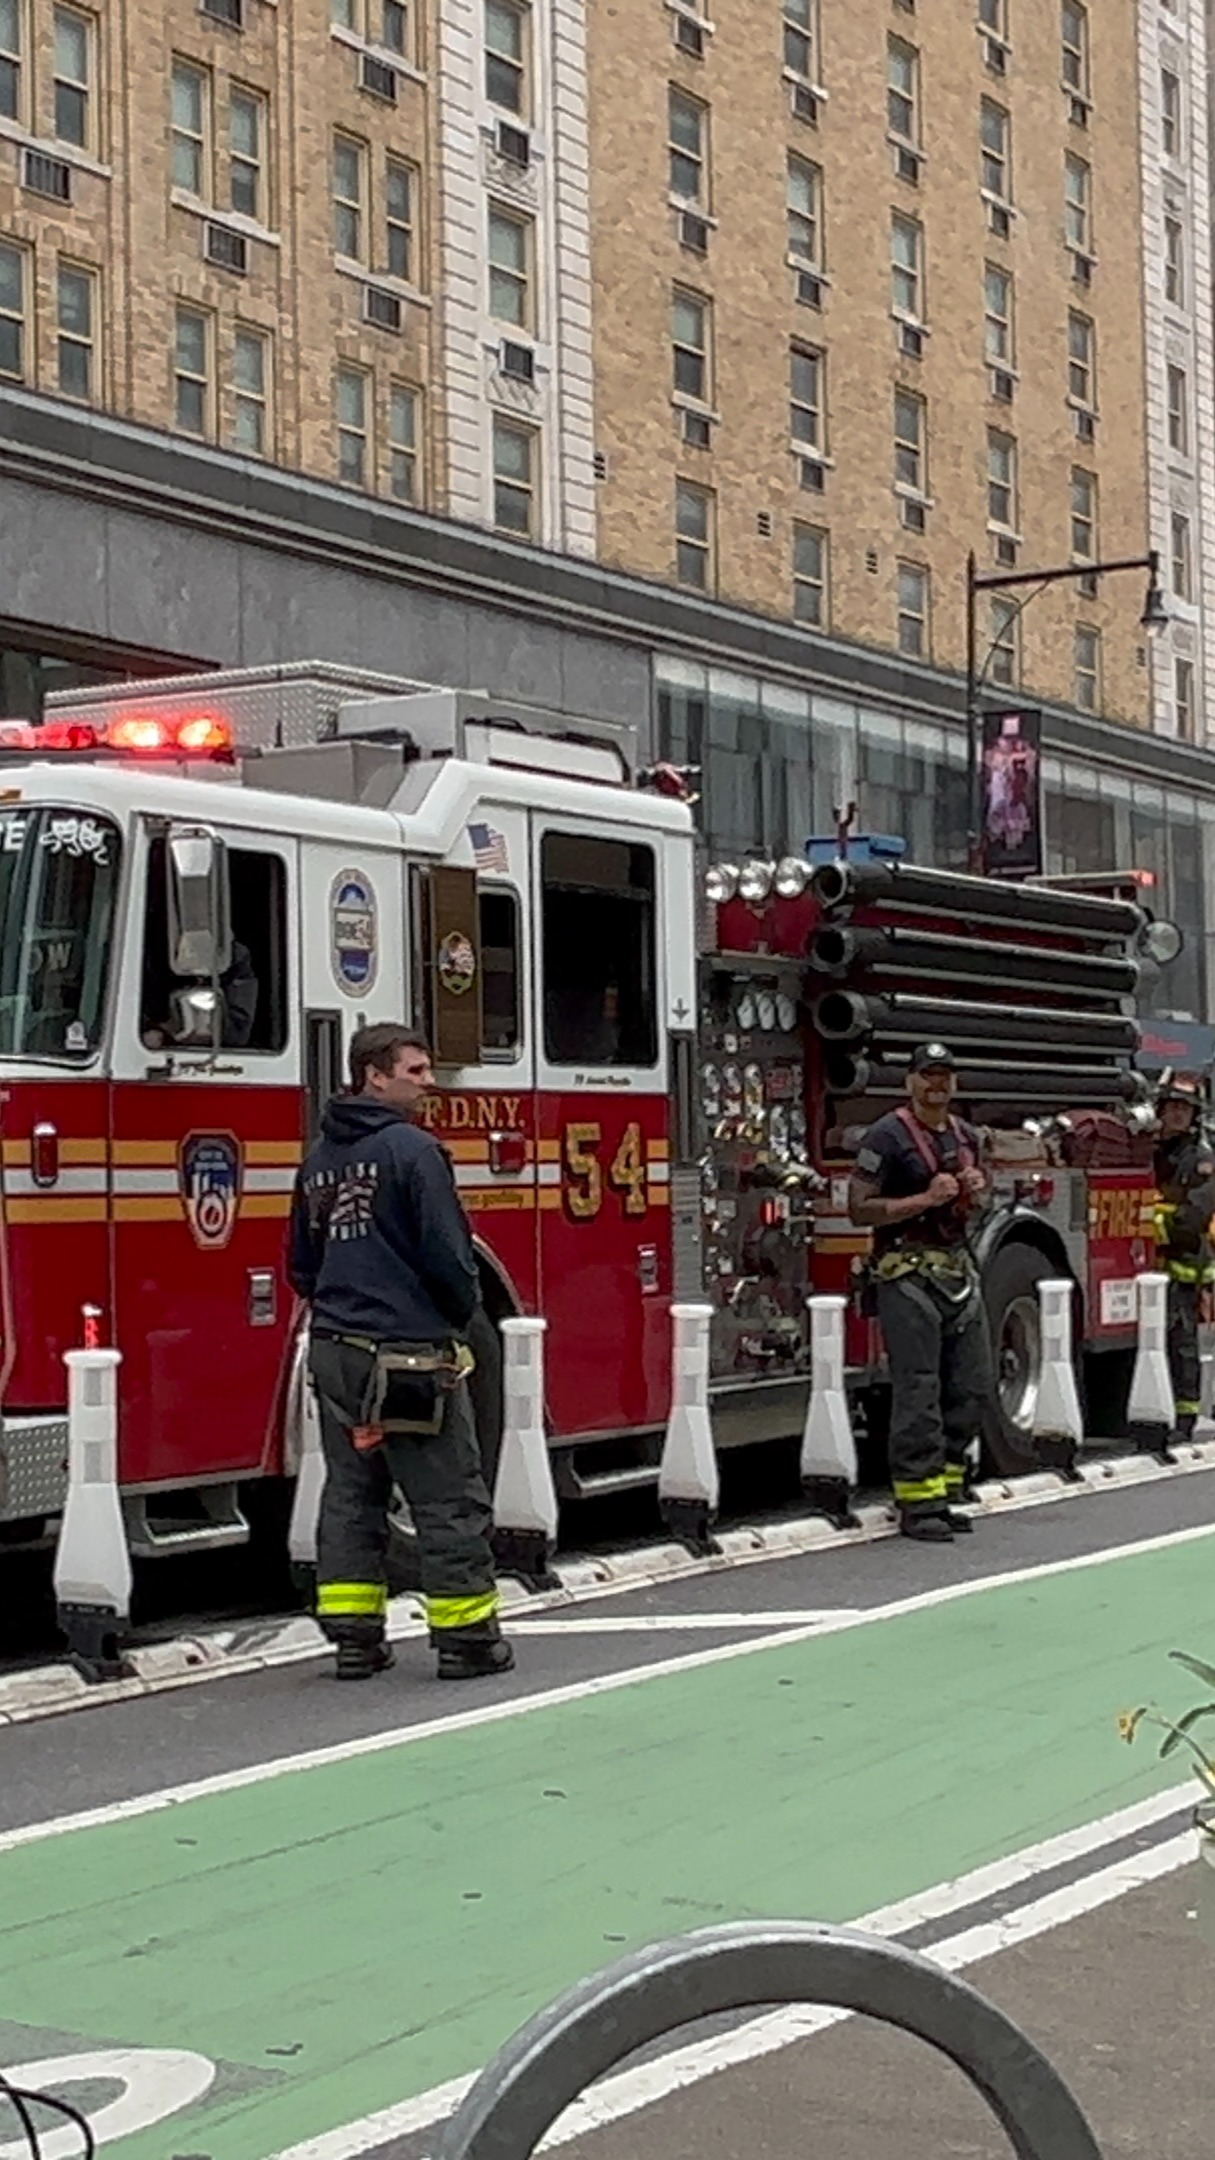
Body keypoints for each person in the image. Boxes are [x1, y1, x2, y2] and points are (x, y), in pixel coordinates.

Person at [287, 1022, 513, 1682]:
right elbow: (449, 1255)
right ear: (374, 1074)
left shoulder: (318, 1161)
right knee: (447, 1496)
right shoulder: (415, 1153)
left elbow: (302, 1264)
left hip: (336, 1355)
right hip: (410, 1357)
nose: (429, 1081)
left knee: (352, 1495)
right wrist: (454, 1322)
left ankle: (355, 1640)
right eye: (415, 1070)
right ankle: (467, 1639)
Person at [848, 1043, 993, 1543]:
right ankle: (918, 1503)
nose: (938, 1084)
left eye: (945, 1075)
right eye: (928, 1075)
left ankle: (949, 1489)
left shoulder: (967, 1135)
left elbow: (976, 1206)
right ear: (910, 1081)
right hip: (906, 1276)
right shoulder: (886, 1136)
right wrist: (923, 1200)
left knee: (971, 1386)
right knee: (919, 1390)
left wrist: (976, 1189)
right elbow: (858, 1208)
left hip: (958, 1274)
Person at [1152, 1071, 1215, 1445]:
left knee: (1182, 1343)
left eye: (1184, 1109)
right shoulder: (1152, 1151)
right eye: (1171, 1106)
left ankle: (1185, 1416)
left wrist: (1151, 1219)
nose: (1176, 1114)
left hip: (1183, 1266)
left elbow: (1190, 1221)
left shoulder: (1201, 1161)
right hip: (1150, 1270)